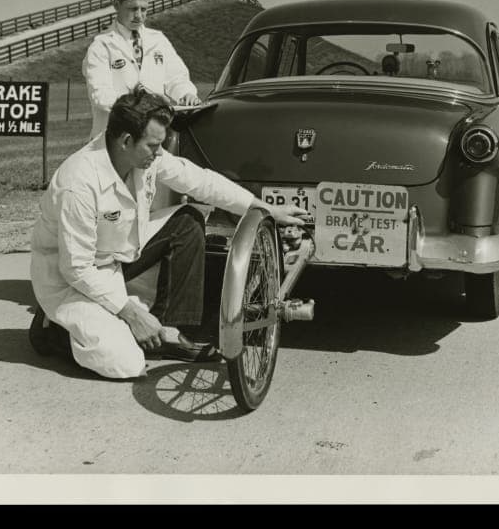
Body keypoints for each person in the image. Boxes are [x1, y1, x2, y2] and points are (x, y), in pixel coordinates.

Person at [29, 85, 307, 380]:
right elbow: (76, 268)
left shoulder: (145, 156)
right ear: (125, 140)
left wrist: (265, 209)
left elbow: (200, 181)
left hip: (115, 254)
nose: (158, 153)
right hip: (70, 277)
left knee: (187, 220)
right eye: (152, 146)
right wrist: (132, 314)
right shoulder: (78, 183)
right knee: (126, 364)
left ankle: (170, 331)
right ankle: (52, 331)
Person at [82, 0, 201, 141]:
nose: (139, 15)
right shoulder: (101, 46)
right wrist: (140, 106)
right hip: (113, 140)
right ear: (116, 4)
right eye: (132, 8)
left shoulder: (158, 40)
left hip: (153, 139)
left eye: (144, 9)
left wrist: (186, 94)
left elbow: (176, 77)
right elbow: (100, 95)